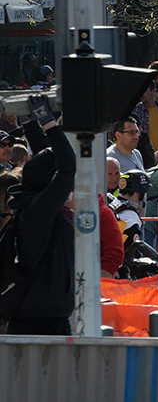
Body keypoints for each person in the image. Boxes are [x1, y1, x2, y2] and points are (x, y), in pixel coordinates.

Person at [6, 100, 75, 335]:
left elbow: (46, 159)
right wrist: (48, 122)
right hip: (41, 321)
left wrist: (29, 122)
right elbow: (67, 166)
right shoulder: (39, 210)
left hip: (41, 313)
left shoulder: (33, 201)